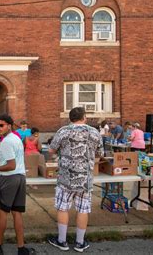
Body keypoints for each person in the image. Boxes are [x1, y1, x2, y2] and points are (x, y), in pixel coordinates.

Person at [47, 107, 103, 253]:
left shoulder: (63, 131)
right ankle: (79, 242)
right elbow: (100, 153)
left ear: (70, 118)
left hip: (66, 177)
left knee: (63, 208)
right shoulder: (94, 132)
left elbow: (51, 150)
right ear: (84, 117)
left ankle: (62, 241)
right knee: (83, 209)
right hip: (85, 178)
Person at [0, 114, 35, 255]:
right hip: (20, 177)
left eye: (2, 125)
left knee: (3, 212)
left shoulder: (6, 142)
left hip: (9, 179)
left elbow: (11, 165)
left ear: (9, 126)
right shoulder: (16, 138)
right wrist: (0, 164)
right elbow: (16, 161)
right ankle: (21, 248)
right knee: (17, 212)